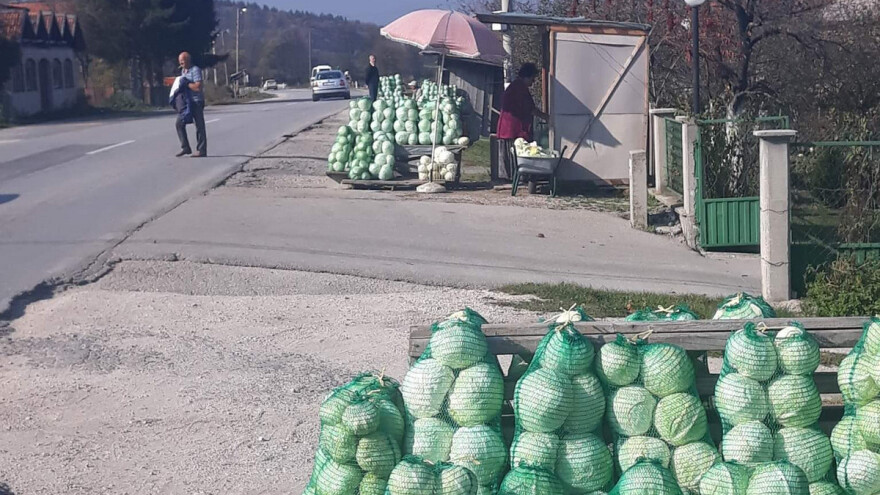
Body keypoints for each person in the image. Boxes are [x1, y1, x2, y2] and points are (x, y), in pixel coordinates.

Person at [496, 63, 549, 181]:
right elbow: (530, 108)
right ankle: (513, 177)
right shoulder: (519, 88)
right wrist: (546, 117)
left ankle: (512, 177)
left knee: (515, 152)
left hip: (511, 127)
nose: (533, 82)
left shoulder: (516, 86)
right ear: (527, 76)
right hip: (512, 128)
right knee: (515, 153)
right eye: (532, 78)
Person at [176, 51, 207, 158]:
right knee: (179, 123)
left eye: (183, 61)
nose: (181, 63)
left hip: (196, 101)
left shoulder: (195, 70)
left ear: (188, 60)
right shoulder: (183, 71)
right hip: (186, 102)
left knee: (199, 126)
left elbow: (198, 87)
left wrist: (187, 84)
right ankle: (185, 147)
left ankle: (201, 150)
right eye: (180, 62)